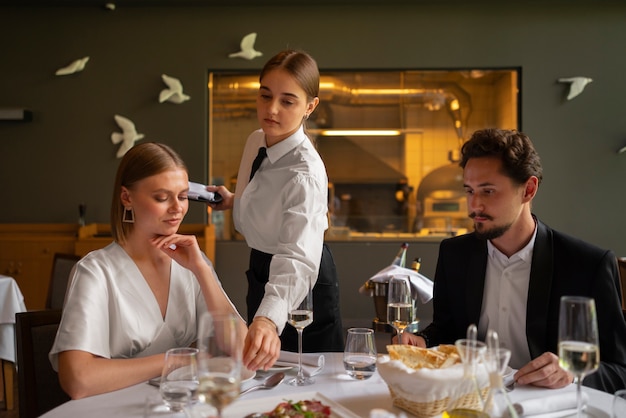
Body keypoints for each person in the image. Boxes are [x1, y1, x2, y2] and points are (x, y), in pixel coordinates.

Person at [401, 128, 626, 393]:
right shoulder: (455, 254)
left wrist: (571, 373)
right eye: (469, 191)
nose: (474, 206)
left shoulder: (588, 265)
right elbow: (447, 330)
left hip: (550, 408)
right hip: (472, 400)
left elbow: (620, 371)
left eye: (488, 191)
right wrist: (422, 340)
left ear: (528, 190)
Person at [49, 142, 247, 399]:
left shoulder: (193, 266)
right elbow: (78, 380)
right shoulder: (95, 272)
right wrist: (178, 361)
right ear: (126, 198)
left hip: (181, 407)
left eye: (183, 196)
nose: (177, 208)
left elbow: (242, 350)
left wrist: (202, 271)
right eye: (162, 198)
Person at [208, 49, 344, 371]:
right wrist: (234, 201)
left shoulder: (306, 172)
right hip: (260, 266)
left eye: (287, 101)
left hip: (300, 276)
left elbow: (296, 257)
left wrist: (269, 319)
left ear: (310, 106)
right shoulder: (257, 140)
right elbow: (266, 199)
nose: (271, 109)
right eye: (265, 96)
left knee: (311, 372)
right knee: (262, 368)